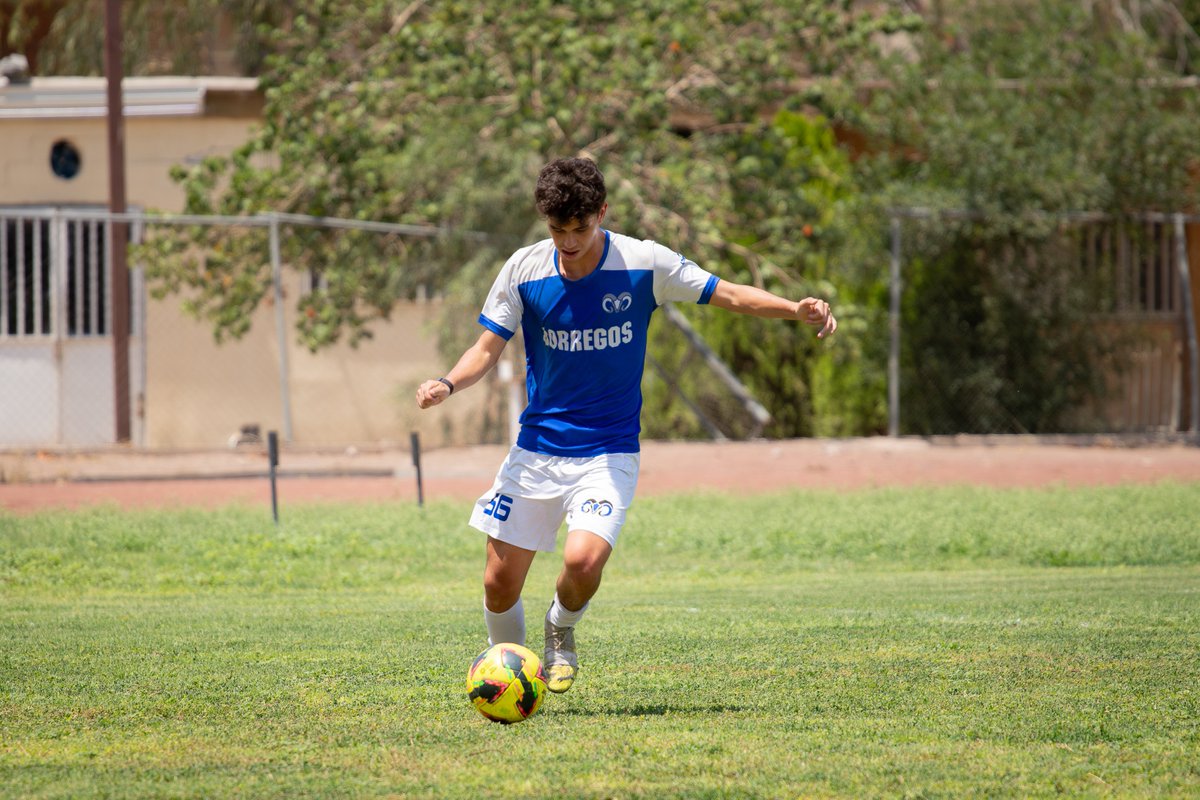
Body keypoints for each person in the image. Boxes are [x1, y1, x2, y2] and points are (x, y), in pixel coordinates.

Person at [416, 157, 836, 693]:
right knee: (498, 585)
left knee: (583, 559)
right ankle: (514, 681)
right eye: (557, 230)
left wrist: (793, 310)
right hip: (538, 448)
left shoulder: (643, 262)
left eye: (579, 228)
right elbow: (485, 348)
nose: (568, 242)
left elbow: (724, 292)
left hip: (608, 451)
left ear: (602, 214)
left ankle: (559, 630)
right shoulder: (524, 269)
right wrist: (448, 383)